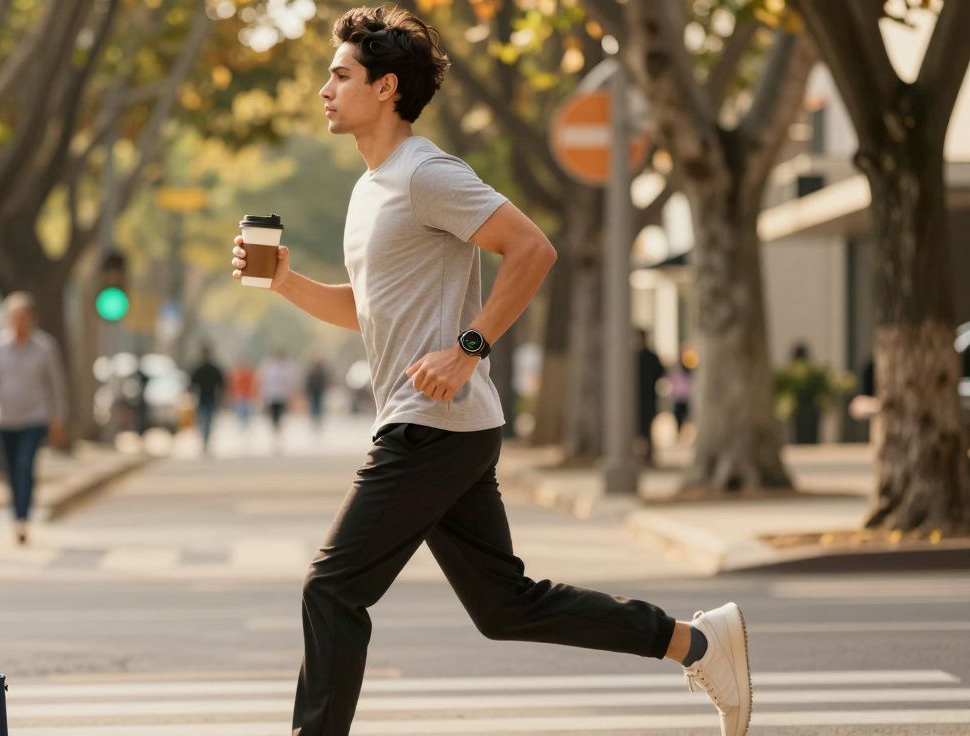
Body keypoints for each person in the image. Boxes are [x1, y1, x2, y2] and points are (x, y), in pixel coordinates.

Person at [230, 7, 751, 736]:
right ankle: (696, 642)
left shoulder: (426, 173)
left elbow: (532, 248)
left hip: (430, 424)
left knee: (332, 589)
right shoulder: (371, 188)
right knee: (506, 608)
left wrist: (467, 347)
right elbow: (369, 310)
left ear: (385, 89)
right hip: (449, 426)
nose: (325, 88)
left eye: (339, 75)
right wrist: (287, 283)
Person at [0, 292, 68, 545]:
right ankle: (17, 513)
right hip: (4, 418)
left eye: (23, 317)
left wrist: (58, 418)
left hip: (35, 417)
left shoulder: (45, 348)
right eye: (14, 318)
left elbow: (55, 385)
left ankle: (23, 518)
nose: (19, 323)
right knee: (11, 470)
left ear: (32, 319)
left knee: (25, 465)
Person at [188, 345, 227, 457]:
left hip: (211, 399)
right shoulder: (198, 369)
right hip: (201, 400)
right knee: (202, 422)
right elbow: (191, 384)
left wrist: (222, 396)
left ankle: (207, 443)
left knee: (209, 422)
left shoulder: (214, 369)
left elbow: (222, 383)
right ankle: (203, 443)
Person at [636, 328, 666, 465]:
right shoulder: (632, 357)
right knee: (637, 427)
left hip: (648, 397)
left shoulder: (650, 357)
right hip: (636, 398)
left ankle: (648, 455)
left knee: (647, 427)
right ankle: (639, 454)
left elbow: (660, 372)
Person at [257, 349, 296, 454]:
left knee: (281, 417)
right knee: (273, 418)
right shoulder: (268, 367)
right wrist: (263, 396)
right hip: (272, 397)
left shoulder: (287, 367)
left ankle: (279, 435)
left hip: (282, 396)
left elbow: (290, 382)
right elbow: (264, 383)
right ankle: (275, 435)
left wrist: (291, 395)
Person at [228, 360, 258, 429]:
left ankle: (245, 422)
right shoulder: (237, 374)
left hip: (247, 394)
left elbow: (253, 384)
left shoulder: (249, 374)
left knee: (246, 409)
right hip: (240, 394)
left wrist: (253, 393)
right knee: (241, 409)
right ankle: (242, 422)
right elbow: (234, 384)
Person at [305, 359, 329, 431]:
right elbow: (308, 383)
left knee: (318, 406)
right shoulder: (311, 373)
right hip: (313, 392)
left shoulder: (321, 374)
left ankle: (318, 420)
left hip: (319, 391)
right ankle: (314, 420)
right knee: (313, 406)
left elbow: (324, 382)